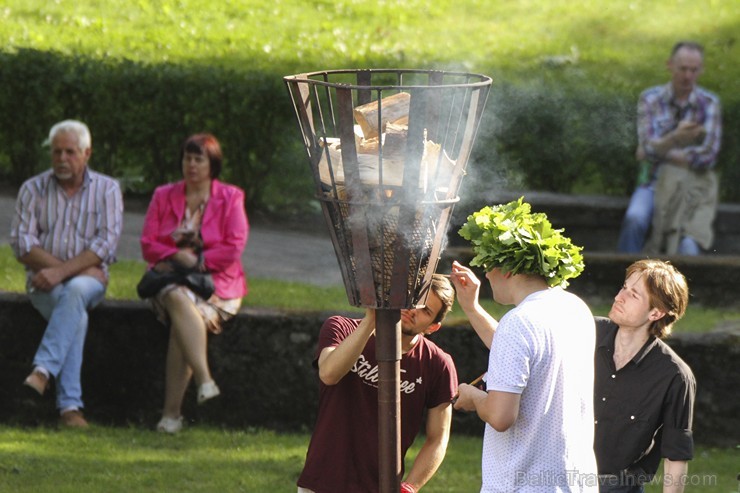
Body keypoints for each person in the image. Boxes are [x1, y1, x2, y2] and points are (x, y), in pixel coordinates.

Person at [451, 199, 598, 492]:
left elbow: (500, 416)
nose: (486, 273)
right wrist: (472, 308)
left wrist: (472, 397)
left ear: (506, 269)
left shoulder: (518, 321)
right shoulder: (575, 308)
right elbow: (526, 355)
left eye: (487, 264)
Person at [297, 274, 458, 493]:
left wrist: (410, 487)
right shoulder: (341, 327)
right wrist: (371, 321)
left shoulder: (439, 364)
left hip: (382, 487)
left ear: (432, 327)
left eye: (425, 311)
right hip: (322, 481)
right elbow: (328, 374)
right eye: (412, 300)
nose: (413, 311)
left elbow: (438, 437)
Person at [10, 119, 123, 428]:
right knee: (77, 314)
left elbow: (106, 245)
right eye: (56, 152)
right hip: (44, 283)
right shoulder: (32, 189)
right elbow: (22, 244)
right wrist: (68, 269)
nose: (62, 159)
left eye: (70, 152)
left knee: (75, 291)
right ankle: (69, 409)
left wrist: (59, 271)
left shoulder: (107, 189)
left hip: (85, 283)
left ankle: (43, 370)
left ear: (87, 153)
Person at [140, 133, 249, 434]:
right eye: (187, 158)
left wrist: (199, 262)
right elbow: (147, 243)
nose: (191, 164)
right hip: (169, 278)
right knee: (177, 297)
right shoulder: (164, 195)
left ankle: (171, 416)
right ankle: (204, 380)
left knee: (182, 320)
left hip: (216, 284)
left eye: (198, 158)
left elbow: (234, 245)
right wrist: (176, 255)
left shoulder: (231, 197)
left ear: (212, 163)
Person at [594, 259, 695, 493]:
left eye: (634, 295)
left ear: (656, 312)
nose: (620, 297)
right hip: (555, 477)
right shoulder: (587, 332)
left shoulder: (675, 376)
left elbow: (675, 457)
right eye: (624, 287)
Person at [617, 41, 721, 255]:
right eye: (683, 68)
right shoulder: (650, 99)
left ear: (701, 70)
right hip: (653, 183)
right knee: (634, 218)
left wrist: (657, 150)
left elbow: (709, 156)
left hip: (693, 189)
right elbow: (648, 145)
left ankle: (682, 289)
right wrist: (676, 138)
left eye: (694, 70)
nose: (688, 76)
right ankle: (625, 278)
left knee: (688, 248)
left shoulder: (709, 103)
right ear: (670, 65)